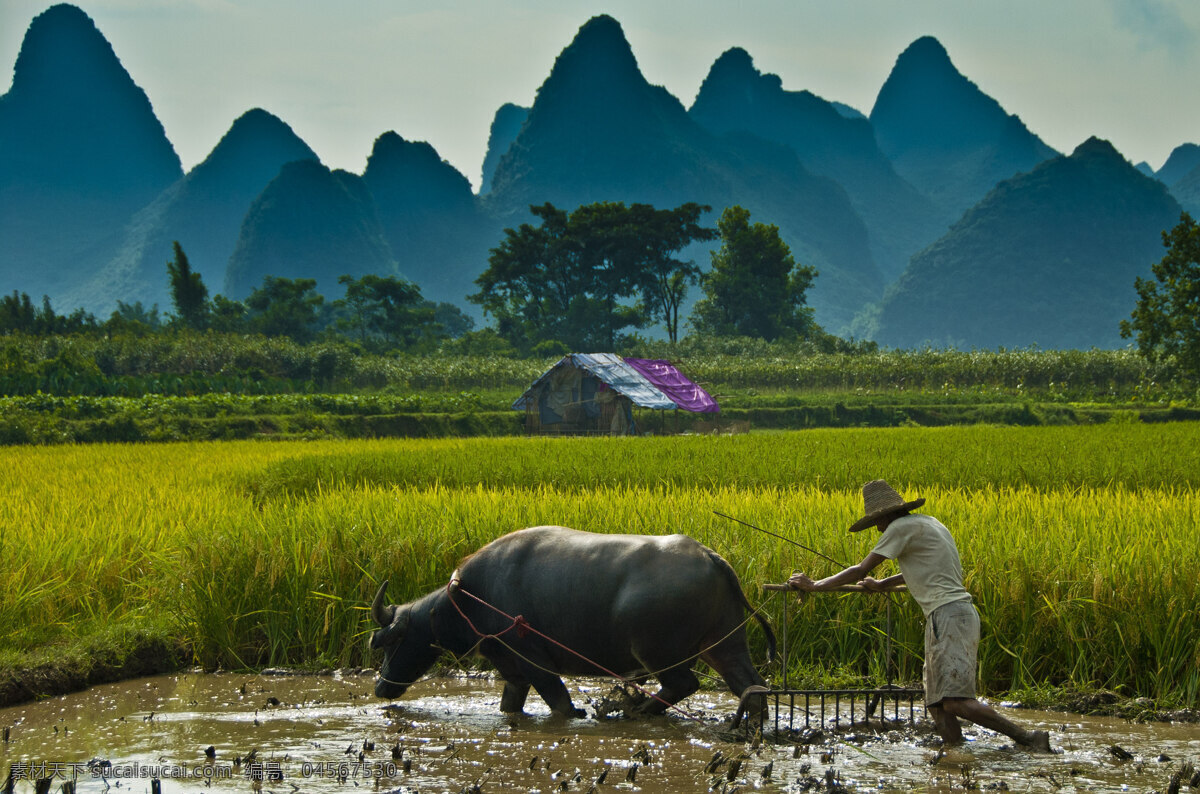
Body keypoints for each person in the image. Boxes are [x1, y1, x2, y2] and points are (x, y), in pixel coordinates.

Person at [787, 479, 1052, 752]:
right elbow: (917, 569)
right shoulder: (929, 523)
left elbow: (860, 570)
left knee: (955, 701)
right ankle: (955, 755)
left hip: (949, 616)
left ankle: (1028, 737)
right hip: (948, 616)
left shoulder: (899, 527)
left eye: (878, 521)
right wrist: (881, 586)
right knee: (937, 703)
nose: (878, 527)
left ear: (887, 515)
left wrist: (815, 585)